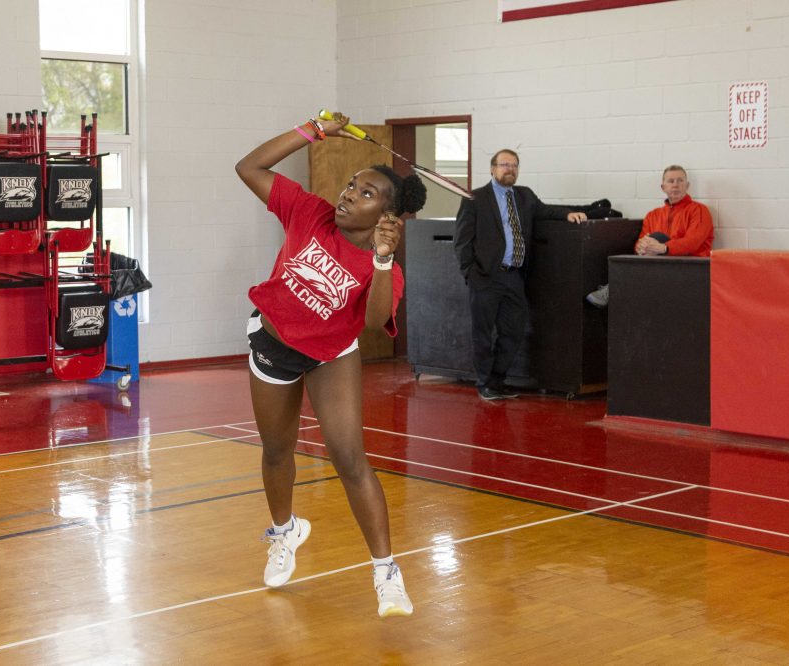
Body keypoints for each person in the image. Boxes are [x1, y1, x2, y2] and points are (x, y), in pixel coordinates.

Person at [234, 112, 427, 617]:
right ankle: (285, 532)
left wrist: (383, 261)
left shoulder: (382, 261)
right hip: (274, 345)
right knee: (277, 452)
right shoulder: (308, 211)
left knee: (349, 460)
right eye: (350, 185)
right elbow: (248, 166)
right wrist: (311, 132)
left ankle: (387, 572)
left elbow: (376, 319)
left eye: (365, 194)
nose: (347, 195)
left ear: (389, 216)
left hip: (330, 355)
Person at [454, 149, 587, 401]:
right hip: (485, 277)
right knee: (482, 334)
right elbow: (461, 240)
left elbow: (546, 211)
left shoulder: (525, 195)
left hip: (513, 276)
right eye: (504, 164)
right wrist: (471, 273)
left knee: (513, 331)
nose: (510, 169)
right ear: (492, 168)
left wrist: (567, 214)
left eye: (514, 165)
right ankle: (484, 383)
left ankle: (497, 380)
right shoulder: (475, 198)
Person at [586, 165, 714, 308]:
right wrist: (640, 247)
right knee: (647, 243)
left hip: (691, 267)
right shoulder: (653, 215)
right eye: (671, 181)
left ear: (687, 185)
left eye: (680, 181)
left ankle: (614, 287)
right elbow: (641, 242)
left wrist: (664, 248)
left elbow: (693, 242)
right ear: (663, 187)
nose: (676, 185)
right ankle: (618, 290)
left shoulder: (699, 210)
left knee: (657, 237)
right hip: (659, 267)